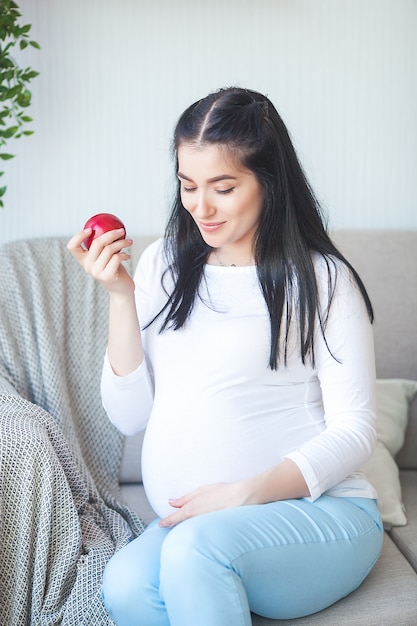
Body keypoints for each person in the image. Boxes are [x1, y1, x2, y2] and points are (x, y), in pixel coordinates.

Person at [67, 86, 383, 626]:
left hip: (318, 514)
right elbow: (128, 417)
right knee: (122, 585)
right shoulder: (163, 265)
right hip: (193, 525)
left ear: (269, 182)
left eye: (224, 187)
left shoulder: (322, 279)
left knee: (196, 555)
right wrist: (122, 296)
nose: (200, 207)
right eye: (188, 186)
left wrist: (249, 493)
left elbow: (355, 430)